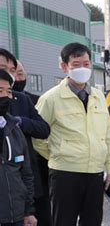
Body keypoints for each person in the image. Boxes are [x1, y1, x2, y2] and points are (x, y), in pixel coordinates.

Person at [33, 42, 110, 226]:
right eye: (76, 65)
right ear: (64, 67)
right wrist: (58, 153)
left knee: (93, 221)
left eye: (86, 64)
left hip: (95, 172)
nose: (83, 69)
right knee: (63, 221)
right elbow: (37, 137)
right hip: (64, 173)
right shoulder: (50, 98)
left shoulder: (98, 96)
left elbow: (107, 134)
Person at [0, 49, 51, 226]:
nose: (8, 73)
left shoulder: (21, 99)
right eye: (2, 68)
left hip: (26, 180)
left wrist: (21, 122)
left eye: (12, 69)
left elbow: (44, 128)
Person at [0, 69, 37, 226]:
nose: (5, 96)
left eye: (8, 91)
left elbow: (26, 174)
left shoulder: (13, 128)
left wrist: (28, 211)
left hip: (15, 216)